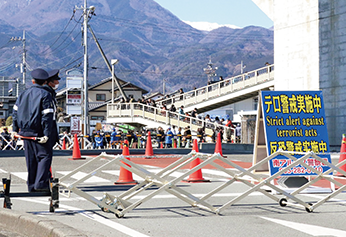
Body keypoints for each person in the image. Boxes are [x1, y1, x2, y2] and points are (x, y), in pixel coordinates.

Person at [12, 68, 55, 193]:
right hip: (39, 132)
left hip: (24, 131)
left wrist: (15, 129)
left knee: (30, 159)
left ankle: (31, 185)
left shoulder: (23, 94)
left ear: (32, 81)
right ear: (45, 81)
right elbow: (47, 116)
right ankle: (40, 183)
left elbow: (15, 112)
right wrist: (47, 133)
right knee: (44, 157)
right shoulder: (45, 95)